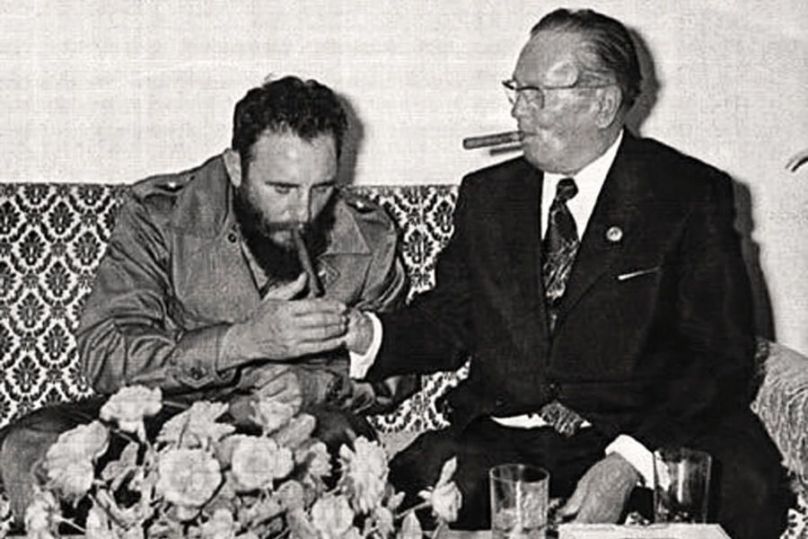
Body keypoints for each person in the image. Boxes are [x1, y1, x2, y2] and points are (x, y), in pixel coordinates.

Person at [344, 9, 791, 539]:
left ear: (602, 103)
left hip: (645, 429)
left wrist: (629, 462)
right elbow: (450, 320)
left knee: (750, 492)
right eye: (516, 90)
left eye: (536, 94)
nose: (517, 109)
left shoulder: (686, 195)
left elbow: (719, 354)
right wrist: (366, 332)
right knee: (409, 493)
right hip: (512, 435)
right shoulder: (488, 197)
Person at [0, 75, 416, 522]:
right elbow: (106, 354)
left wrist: (316, 384)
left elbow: (399, 372)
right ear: (235, 168)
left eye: (322, 188)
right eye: (282, 189)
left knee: (339, 445)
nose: (303, 211)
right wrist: (242, 342)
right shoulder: (160, 216)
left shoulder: (367, 237)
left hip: (298, 424)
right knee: (28, 444)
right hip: (166, 414)